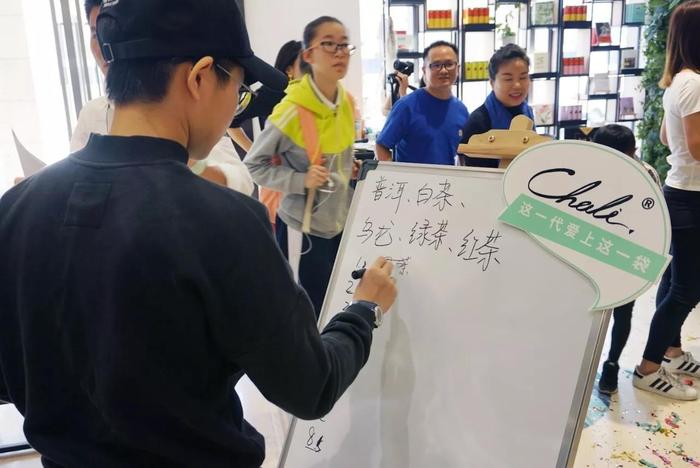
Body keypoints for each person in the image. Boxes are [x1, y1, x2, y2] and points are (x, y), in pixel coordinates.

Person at [0, 2, 398, 466]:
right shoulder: (225, 221)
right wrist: (363, 309)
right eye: (238, 90)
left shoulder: (18, 207)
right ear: (200, 77)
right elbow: (311, 386)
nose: (234, 108)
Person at [69, 0, 254, 195]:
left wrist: (185, 163)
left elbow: (239, 180)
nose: (106, 44)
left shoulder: (192, 110)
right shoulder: (91, 114)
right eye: (96, 34)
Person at [245, 16, 361, 317]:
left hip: (340, 223)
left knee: (334, 303)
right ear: (308, 55)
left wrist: (349, 168)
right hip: (303, 230)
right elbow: (254, 165)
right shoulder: (292, 110)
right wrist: (301, 180)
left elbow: (337, 152)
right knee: (304, 311)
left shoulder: (346, 103)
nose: (339, 53)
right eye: (329, 44)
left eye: (344, 45)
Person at [632, 0, 700, 401]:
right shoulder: (694, 84)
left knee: (677, 282)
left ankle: (670, 352)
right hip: (691, 197)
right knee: (687, 289)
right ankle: (648, 368)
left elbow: (663, 136)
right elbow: (696, 147)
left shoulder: (680, 81)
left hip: (681, 192)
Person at [592, 124, 661, 395]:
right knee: (596, 311)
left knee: (621, 311)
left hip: (625, 254)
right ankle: (590, 361)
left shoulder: (645, 175)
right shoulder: (589, 168)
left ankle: (611, 363)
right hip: (596, 247)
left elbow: (655, 220)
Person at [375, 41, 469, 165]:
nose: (444, 70)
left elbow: (463, 152)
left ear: (458, 68)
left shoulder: (461, 110)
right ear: (424, 70)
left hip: (447, 177)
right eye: (436, 65)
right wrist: (392, 173)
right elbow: (381, 146)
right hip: (411, 178)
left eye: (449, 64)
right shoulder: (406, 106)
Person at [459, 44, 534, 167]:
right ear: (492, 82)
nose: (517, 85)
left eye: (523, 77)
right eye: (508, 79)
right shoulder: (478, 122)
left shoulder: (528, 112)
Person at [227, 40, 305, 154]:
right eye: (305, 65)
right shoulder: (273, 92)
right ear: (289, 69)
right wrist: (254, 152)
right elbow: (231, 124)